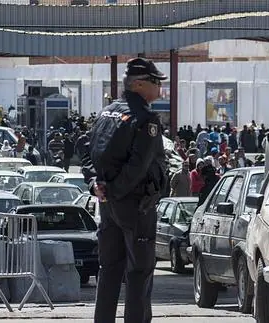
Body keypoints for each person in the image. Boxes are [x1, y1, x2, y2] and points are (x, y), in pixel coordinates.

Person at [81, 57, 169, 323]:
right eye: (156, 83)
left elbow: (86, 151)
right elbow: (138, 166)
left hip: (108, 205)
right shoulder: (145, 119)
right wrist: (115, 190)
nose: (160, 89)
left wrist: (97, 186)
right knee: (139, 272)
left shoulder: (106, 113)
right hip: (135, 205)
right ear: (140, 84)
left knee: (109, 269)